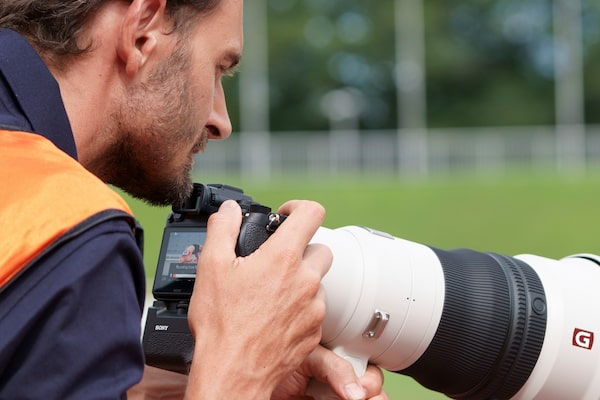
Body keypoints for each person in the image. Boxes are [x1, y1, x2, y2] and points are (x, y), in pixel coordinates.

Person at [0, 0, 388, 399]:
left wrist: (142, 383)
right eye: (219, 68)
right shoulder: (68, 230)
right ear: (143, 31)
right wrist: (242, 370)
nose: (221, 121)